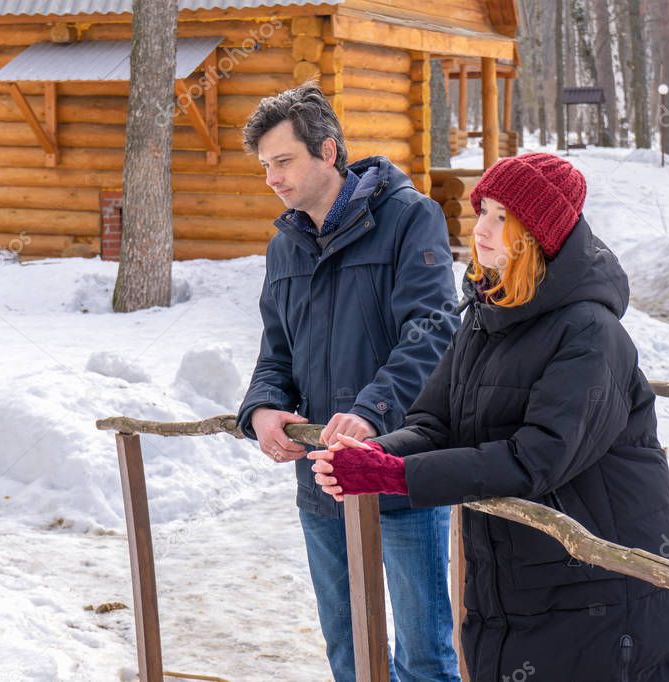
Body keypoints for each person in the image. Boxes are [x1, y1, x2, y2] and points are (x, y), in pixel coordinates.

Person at [309, 152, 669, 681]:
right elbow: (434, 422)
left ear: (537, 234)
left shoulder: (590, 332)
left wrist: (398, 477)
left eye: (501, 217)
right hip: (514, 583)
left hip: (601, 592)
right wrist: (379, 452)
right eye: (483, 211)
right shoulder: (485, 315)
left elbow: (538, 457)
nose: (481, 229)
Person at [236, 82, 461, 682]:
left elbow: (433, 329)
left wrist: (372, 411)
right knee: (349, 648)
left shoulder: (410, 218)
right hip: (323, 478)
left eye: (283, 161)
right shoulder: (285, 247)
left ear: (327, 151)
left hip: (398, 466)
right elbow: (275, 354)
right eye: (265, 166)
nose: (272, 179)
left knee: (423, 656)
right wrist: (262, 409)